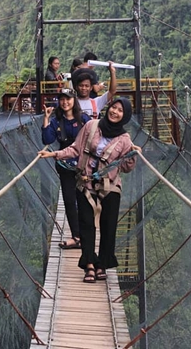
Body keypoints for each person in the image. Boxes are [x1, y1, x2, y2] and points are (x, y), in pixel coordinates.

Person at [38, 98, 141, 283]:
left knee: (109, 225)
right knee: (86, 223)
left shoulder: (125, 140)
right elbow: (76, 149)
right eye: (113, 108)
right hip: (85, 181)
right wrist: (54, 154)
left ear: (125, 116)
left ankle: (102, 263)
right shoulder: (92, 126)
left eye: (120, 110)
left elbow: (125, 168)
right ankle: (90, 265)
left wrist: (133, 155)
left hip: (109, 185)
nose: (115, 112)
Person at [41, 88, 91, 249]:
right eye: (62, 99)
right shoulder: (56, 121)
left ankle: (86, 234)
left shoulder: (83, 119)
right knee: (70, 200)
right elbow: (47, 139)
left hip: (83, 165)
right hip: (64, 165)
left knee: (84, 200)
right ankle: (77, 237)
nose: (65, 102)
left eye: (68, 99)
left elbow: (96, 134)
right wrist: (46, 118)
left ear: (74, 100)